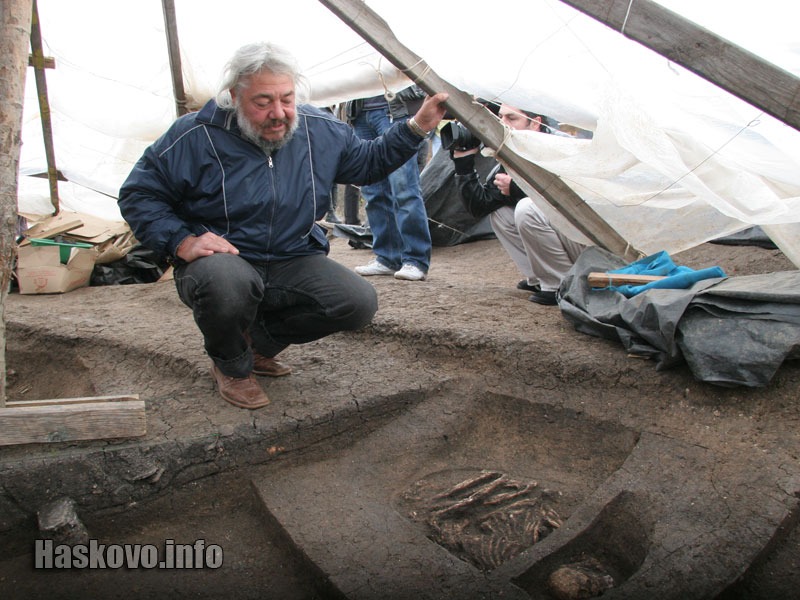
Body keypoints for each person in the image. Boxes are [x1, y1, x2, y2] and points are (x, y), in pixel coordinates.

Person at [118, 42, 447, 409]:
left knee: (357, 302)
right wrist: (181, 241)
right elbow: (139, 194)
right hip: (225, 259)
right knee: (227, 284)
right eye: (263, 102)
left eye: (286, 99)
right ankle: (231, 366)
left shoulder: (319, 129)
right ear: (234, 96)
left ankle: (255, 345)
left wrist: (417, 127)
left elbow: (368, 163)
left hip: (292, 256)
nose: (278, 113)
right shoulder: (195, 135)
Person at [451, 103, 585, 305]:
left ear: (535, 123)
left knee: (527, 208)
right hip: (571, 238)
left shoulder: (561, 146)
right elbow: (479, 206)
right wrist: (463, 161)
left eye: (511, 118)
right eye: (500, 117)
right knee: (502, 214)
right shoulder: (514, 152)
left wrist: (516, 188)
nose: (503, 124)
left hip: (595, 247)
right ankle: (539, 278)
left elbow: (574, 200)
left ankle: (562, 285)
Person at [346, 86, 433, 281]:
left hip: (394, 109)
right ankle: (387, 257)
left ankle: (416, 259)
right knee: (372, 190)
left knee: (404, 187)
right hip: (360, 110)